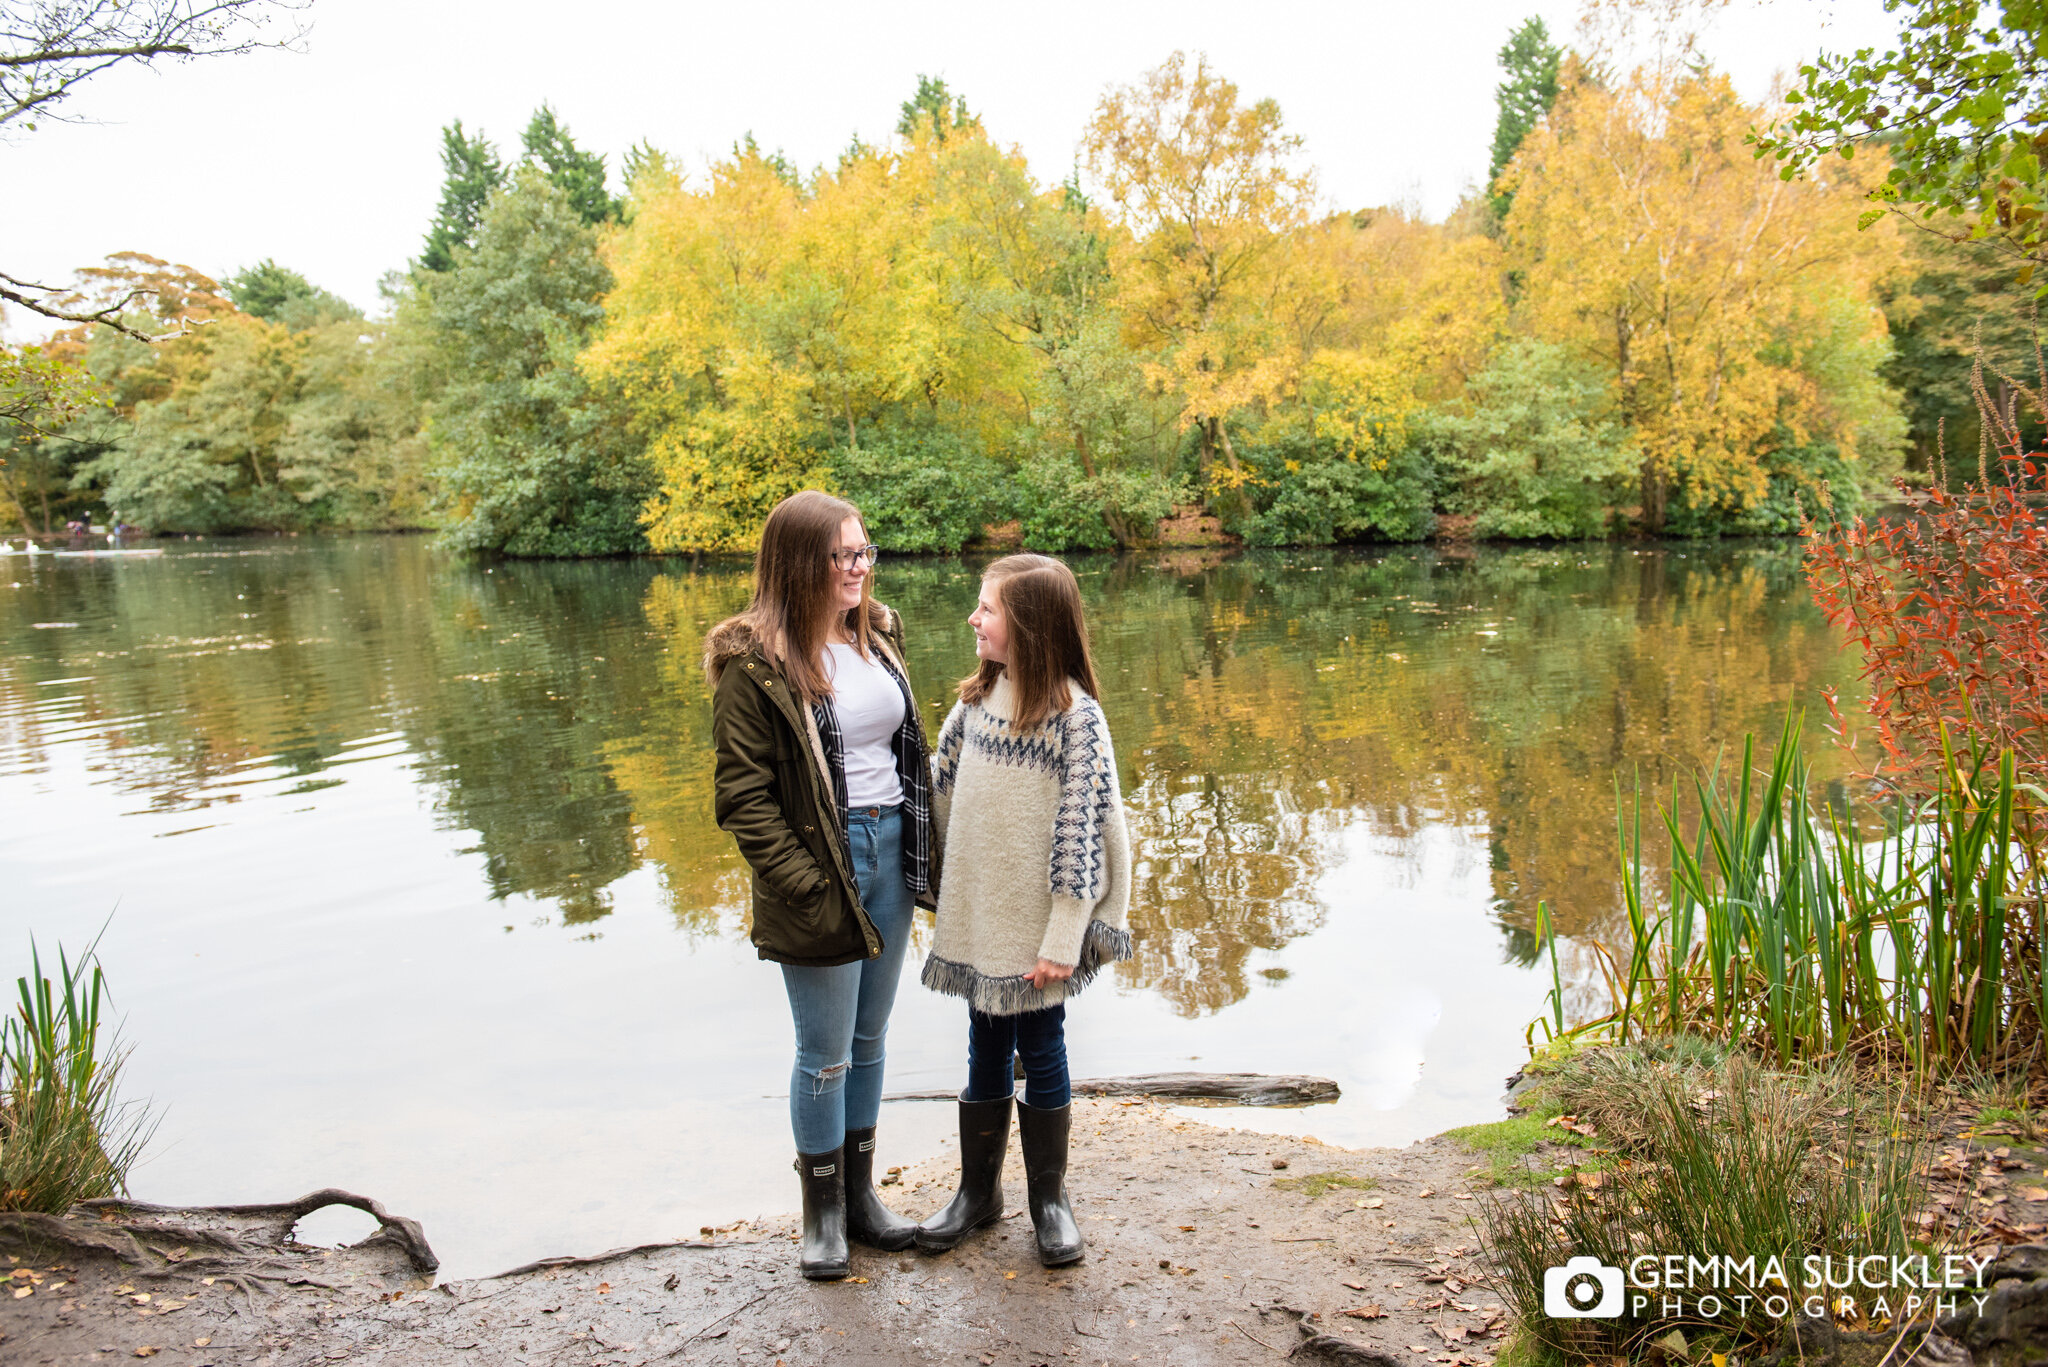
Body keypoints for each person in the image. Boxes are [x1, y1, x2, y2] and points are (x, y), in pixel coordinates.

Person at [704, 490, 940, 1281]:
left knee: (870, 1041)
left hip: (893, 848)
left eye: (864, 551)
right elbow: (744, 799)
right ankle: (823, 1218)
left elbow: (907, 748)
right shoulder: (755, 666)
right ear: (799, 563)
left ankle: (864, 1201)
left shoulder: (877, 635)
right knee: (824, 1055)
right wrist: (810, 885)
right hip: (823, 869)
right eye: (841, 555)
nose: (858, 568)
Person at [915, 553, 1133, 1267]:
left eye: (987, 609)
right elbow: (939, 796)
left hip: (1040, 933)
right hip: (981, 925)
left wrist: (1066, 933)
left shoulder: (1075, 718)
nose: (973, 619)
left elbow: (1087, 830)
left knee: (1041, 1049)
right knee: (982, 1047)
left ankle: (1050, 1199)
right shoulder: (974, 705)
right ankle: (978, 1192)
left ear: (1031, 625)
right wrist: (927, 889)